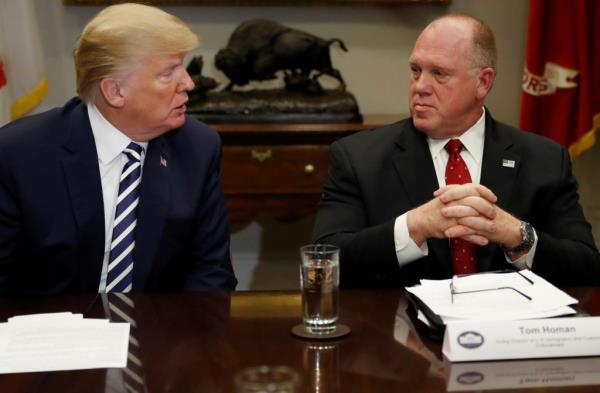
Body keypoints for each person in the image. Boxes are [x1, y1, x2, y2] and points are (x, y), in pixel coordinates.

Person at [313, 13, 600, 288]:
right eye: (415, 70)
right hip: (399, 332)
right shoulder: (357, 157)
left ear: (483, 82)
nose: (420, 86)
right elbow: (325, 264)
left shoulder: (545, 159)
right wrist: (413, 227)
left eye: (439, 73)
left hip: (507, 331)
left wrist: (515, 235)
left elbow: (587, 269)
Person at [0, 3, 237, 294]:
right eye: (168, 73)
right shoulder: (18, 154)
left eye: (183, 68)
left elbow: (211, 274)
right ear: (114, 91)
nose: (188, 83)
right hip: (50, 330)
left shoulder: (198, 148)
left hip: (161, 331)